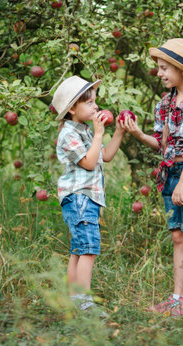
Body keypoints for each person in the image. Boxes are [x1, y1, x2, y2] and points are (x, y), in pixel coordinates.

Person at [122, 38, 183, 317]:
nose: (160, 73)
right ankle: (177, 297)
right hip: (171, 172)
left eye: (165, 68)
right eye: (159, 68)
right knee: (177, 237)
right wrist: (139, 134)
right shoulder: (164, 103)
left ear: (181, 70)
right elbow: (162, 144)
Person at [51, 75, 125, 315]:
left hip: (87, 199)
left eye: (96, 101)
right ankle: (84, 303)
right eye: (89, 102)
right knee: (89, 249)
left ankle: (75, 299)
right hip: (78, 197)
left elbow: (106, 156)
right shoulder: (69, 135)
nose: (96, 106)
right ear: (72, 109)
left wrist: (119, 133)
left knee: (79, 249)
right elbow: (90, 163)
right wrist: (97, 134)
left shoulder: (83, 130)